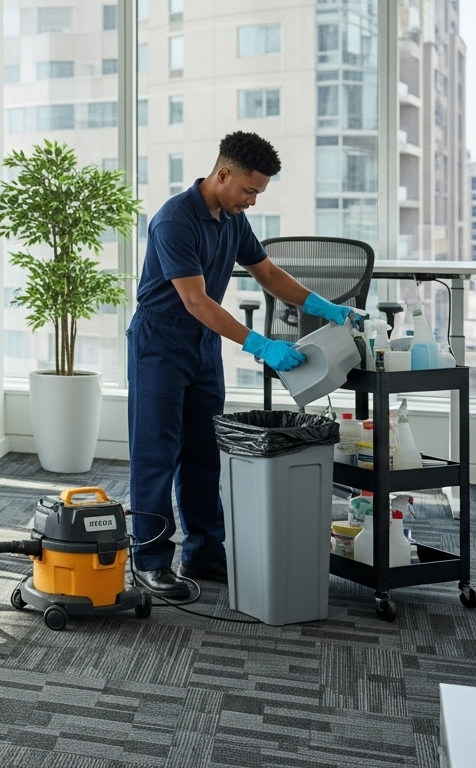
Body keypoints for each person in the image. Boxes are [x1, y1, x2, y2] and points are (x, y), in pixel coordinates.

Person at [128, 131, 356, 599]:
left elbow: (267, 273)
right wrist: (261, 345)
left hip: (202, 345)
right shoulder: (175, 220)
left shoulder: (231, 218)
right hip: (160, 342)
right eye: (249, 190)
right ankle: (150, 560)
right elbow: (194, 300)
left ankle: (204, 551)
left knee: (202, 451)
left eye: (259, 193)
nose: (252, 201)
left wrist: (324, 305)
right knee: (156, 453)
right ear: (223, 174)